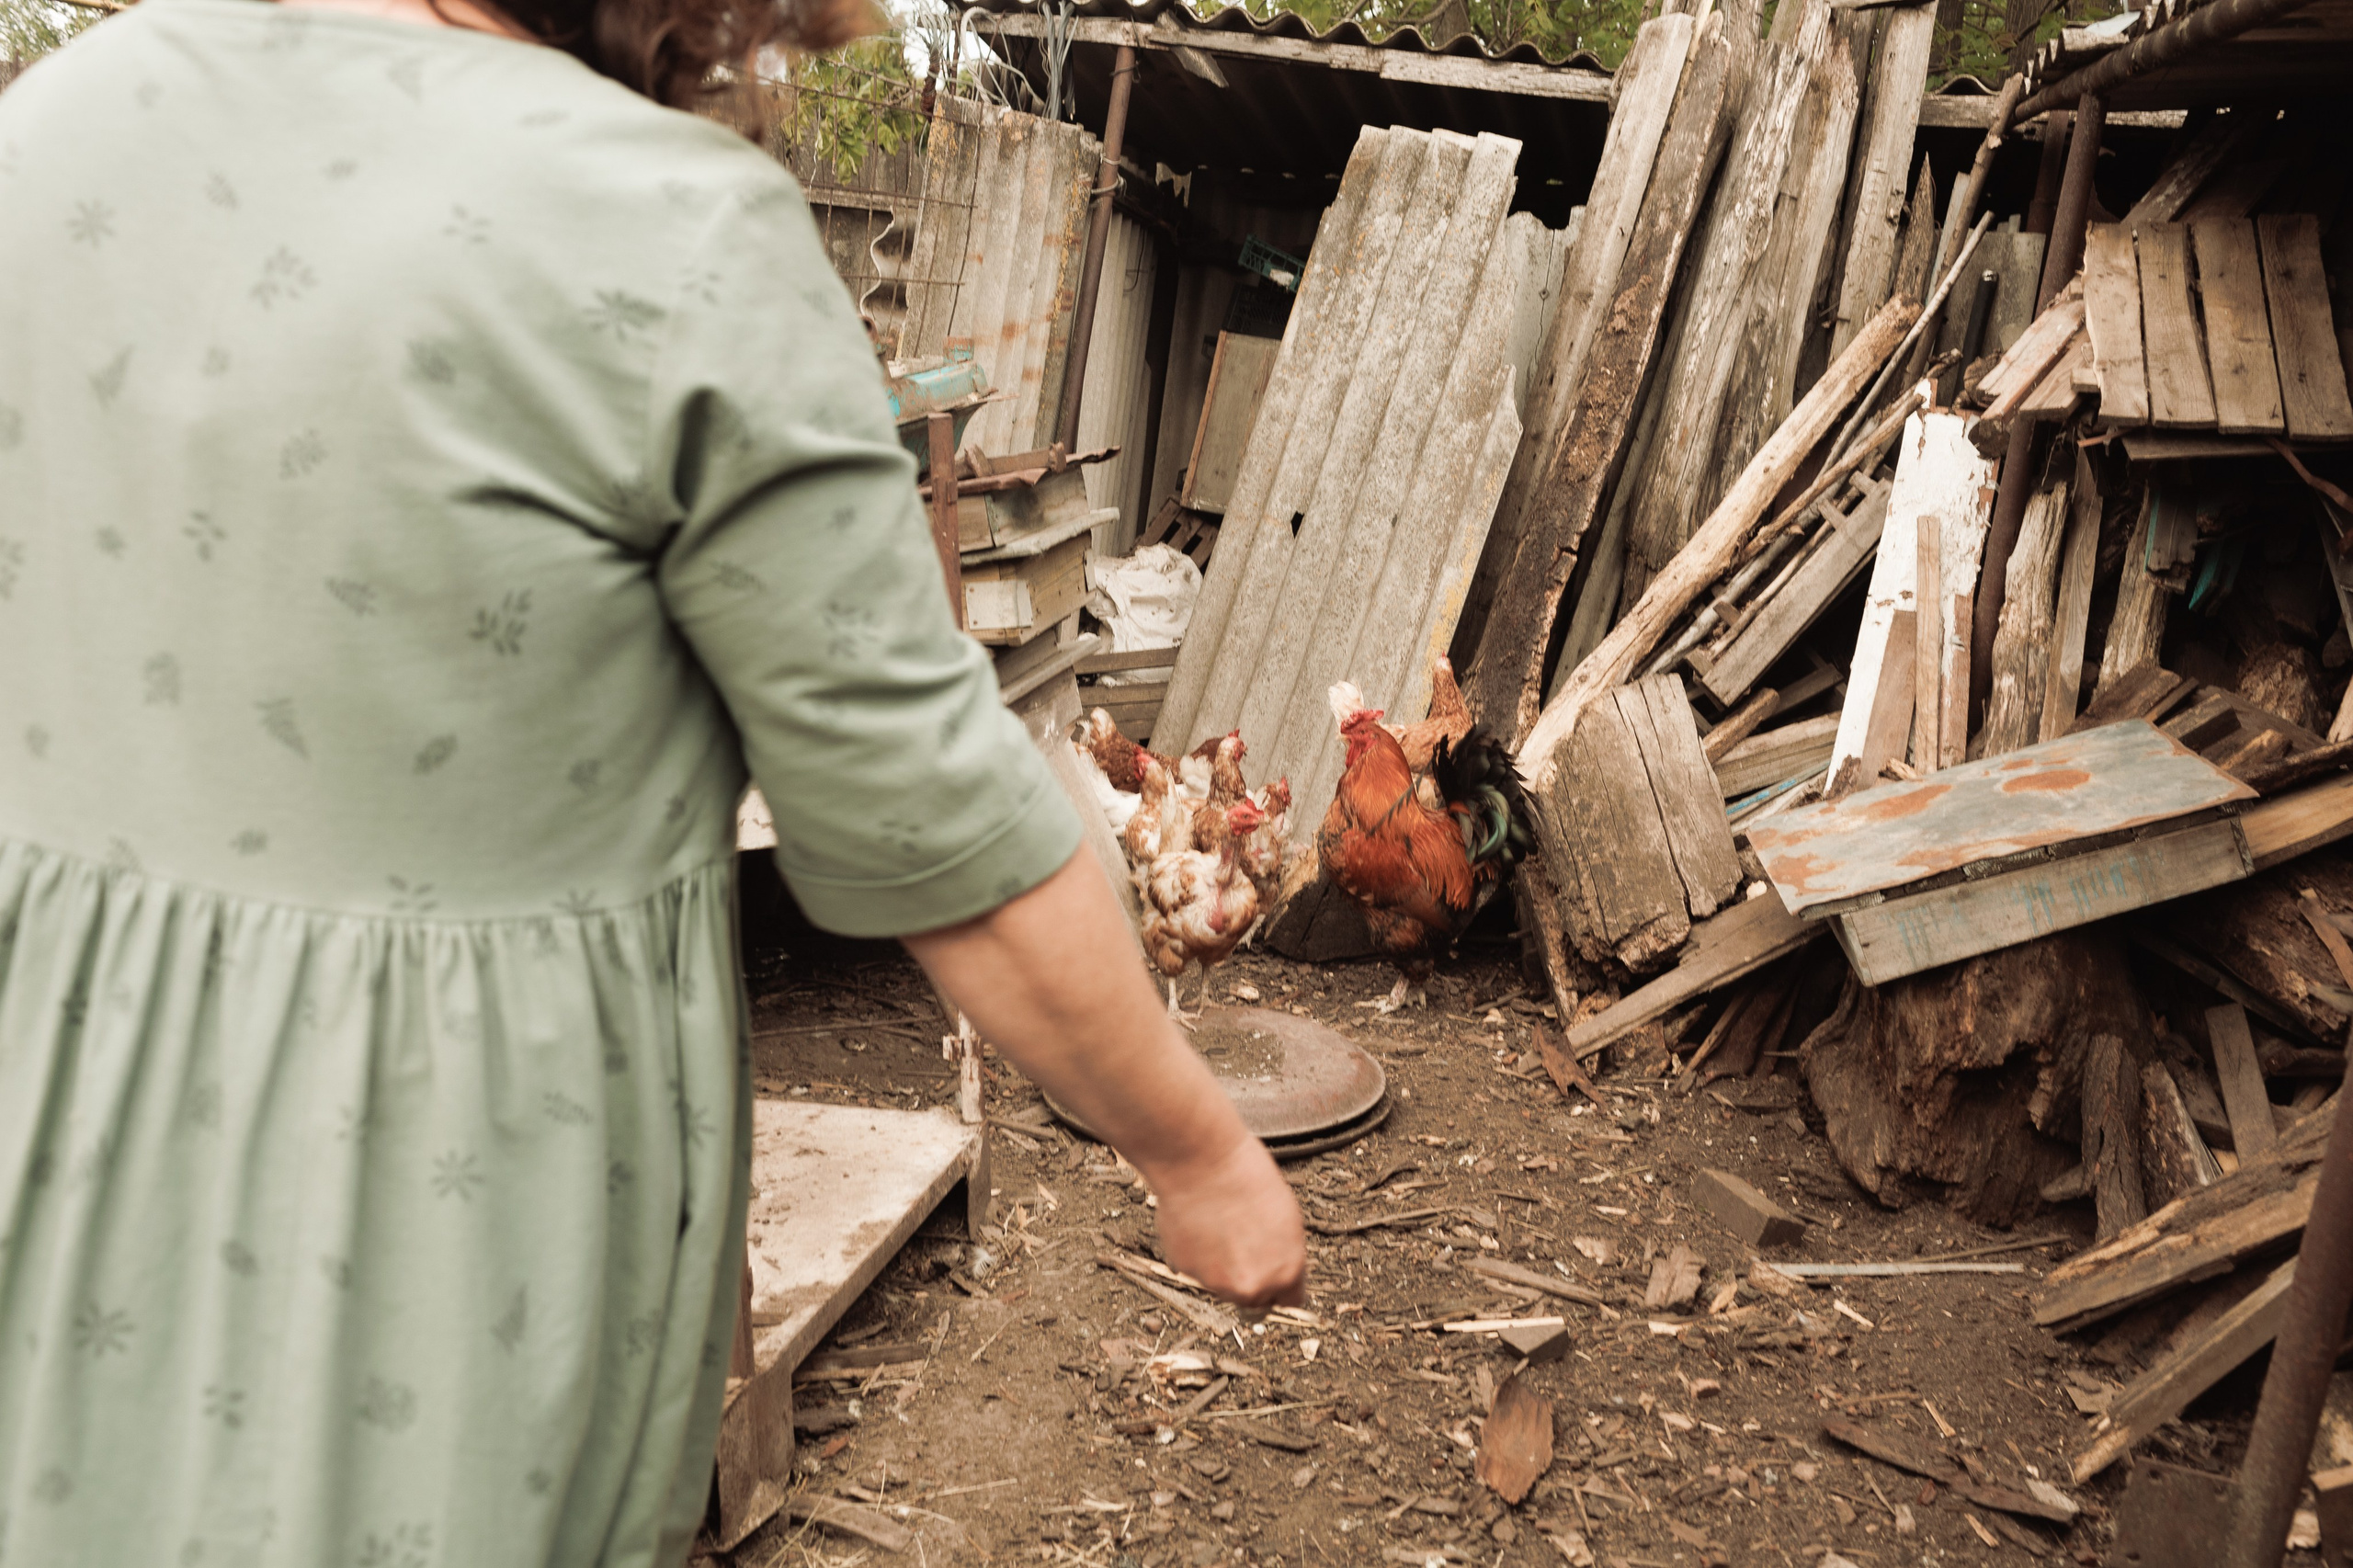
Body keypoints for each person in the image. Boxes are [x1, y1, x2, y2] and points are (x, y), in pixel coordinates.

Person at [0, 0, 1306, 1561]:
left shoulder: (57, 125)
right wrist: (1196, 1147)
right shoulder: (662, 229)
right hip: (426, 1236)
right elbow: (939, 820)